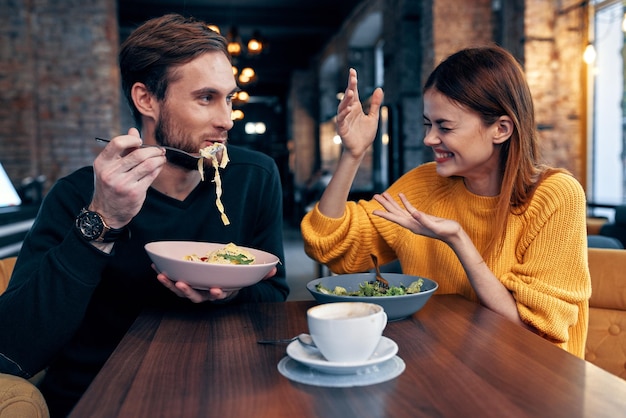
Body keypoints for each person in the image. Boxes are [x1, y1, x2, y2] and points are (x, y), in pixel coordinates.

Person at [0, 13, 288, 416]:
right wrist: (103, 218)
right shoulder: (78, 195)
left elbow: (275, 294)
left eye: (230, 99)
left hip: (226, 383)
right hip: (102, 395)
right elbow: (13, 348)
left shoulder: (254, 176)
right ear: (146, 99)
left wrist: (232, 292)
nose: (226, 120)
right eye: (206, 98)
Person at [301, 45, 591, 358]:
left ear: (501, 129)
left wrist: (458, 241)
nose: (429, 139)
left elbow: (531, 333)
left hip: (532, 383)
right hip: (445, 364)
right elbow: (327, 244)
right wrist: (353, 154)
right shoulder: (426, 185)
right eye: (428, 124)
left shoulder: (555, 196)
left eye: (445, 126)